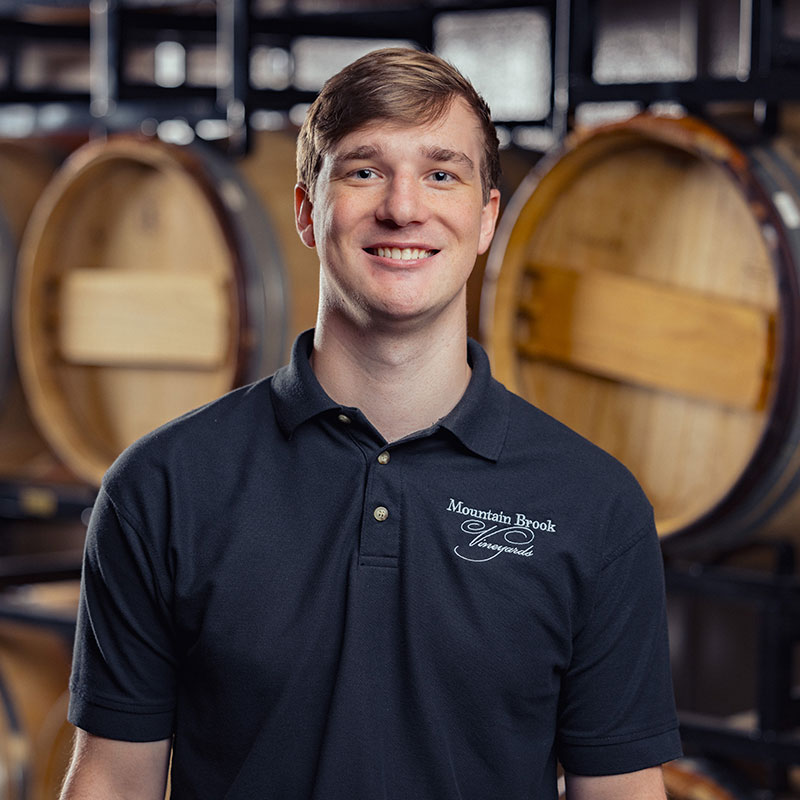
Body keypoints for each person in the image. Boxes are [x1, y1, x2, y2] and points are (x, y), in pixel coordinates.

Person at [60, 47, 681, 799]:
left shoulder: (596, 507)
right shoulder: (163, 486)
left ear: (487, 220)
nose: (404, 207)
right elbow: (113, 784)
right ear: (306, 212)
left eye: (441, 173)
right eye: (363, 171)